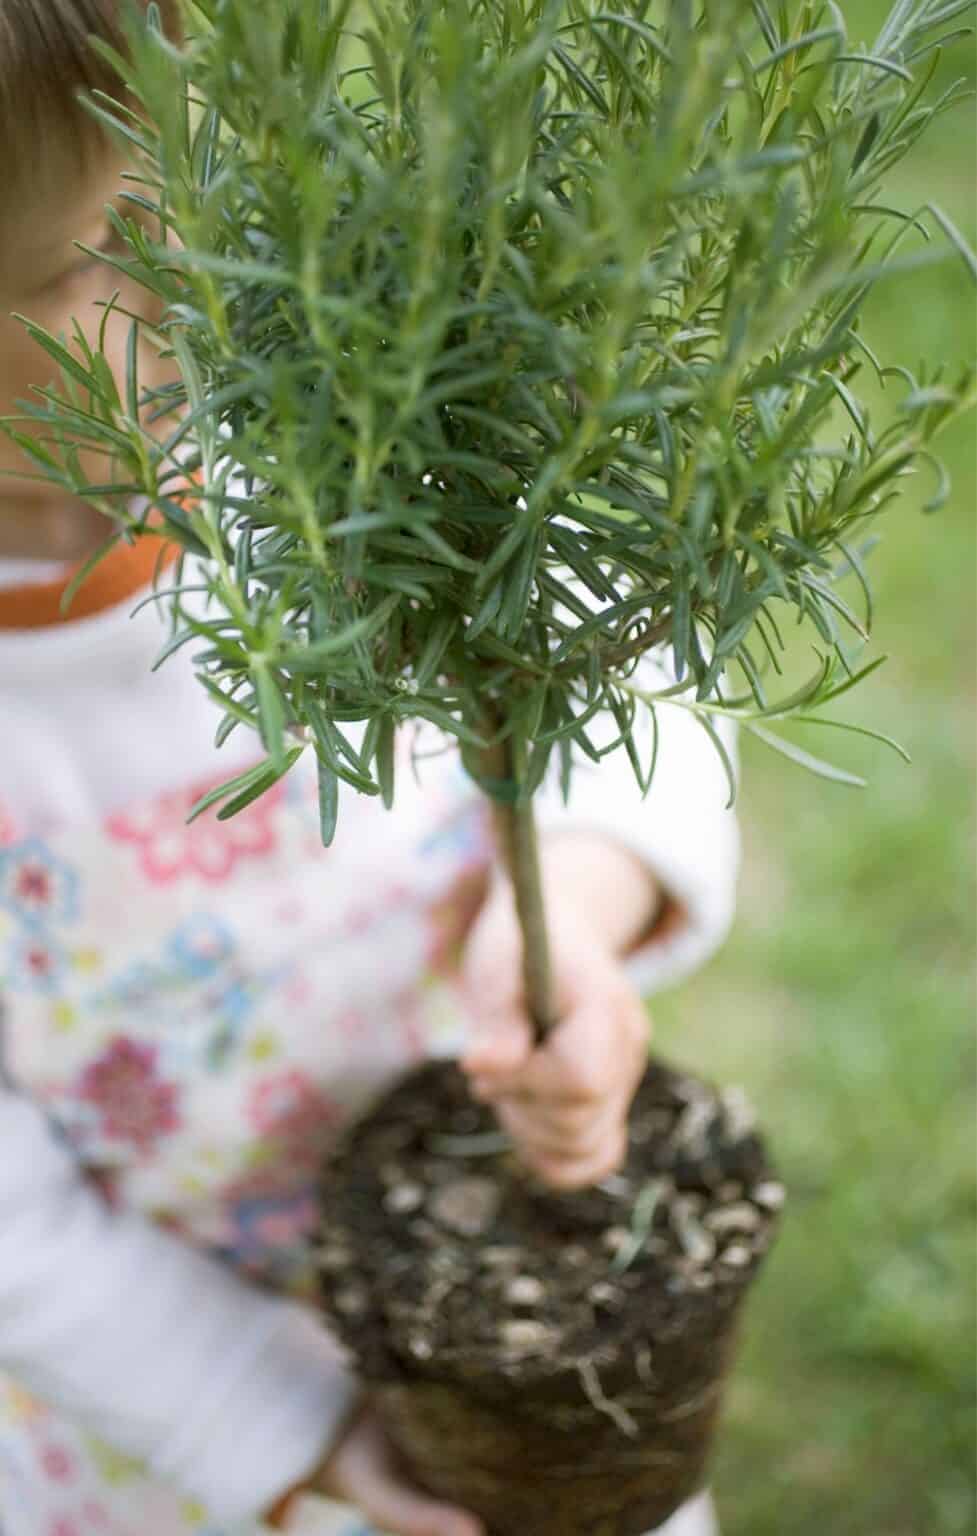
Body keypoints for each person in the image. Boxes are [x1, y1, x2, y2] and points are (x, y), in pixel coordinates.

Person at [0, 4, 739, 1534]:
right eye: (94, 250)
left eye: (202, 186)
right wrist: (295, 1433)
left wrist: (577, 923)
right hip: (177, 1437)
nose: (203, 267)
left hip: (520, 1288)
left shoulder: (347, 423)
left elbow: (622, 658)